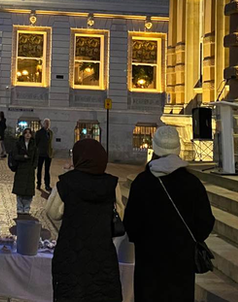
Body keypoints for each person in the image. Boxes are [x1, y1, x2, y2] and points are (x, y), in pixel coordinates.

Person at [125, 125, 215, 301]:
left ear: (155, 148)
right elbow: (205, 223)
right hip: (181, 263)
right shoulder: (192, 183)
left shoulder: (142, 182)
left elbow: (131, 224)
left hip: (149, 263)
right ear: (177, 149)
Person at [47, 139, 124, 302]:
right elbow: (120, 214)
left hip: (71, 253)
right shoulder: (112, 183)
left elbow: (52, 212)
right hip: (102, 254)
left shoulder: (67, 182)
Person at [12, 127, 38, 215]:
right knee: (19, 190)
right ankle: (19, 207)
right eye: (26, 133)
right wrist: (23, 157)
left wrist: (34, 166)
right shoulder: (19, 144)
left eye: (29, 133)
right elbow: (15, 155)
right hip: (21, 169)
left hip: (29, 170)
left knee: (28, 190)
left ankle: (26, 207)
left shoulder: (34, 145)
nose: (27, 135)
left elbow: (36, 157)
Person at [35, 118, 54, 191]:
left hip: (48, 154)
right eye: (46, 123)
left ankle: (47, 185)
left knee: (47, 170)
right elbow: (36, 143)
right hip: (40, 153)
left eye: (48, 123)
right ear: (43, 124)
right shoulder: (39, 132)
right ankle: (39, 183)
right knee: (39, 169)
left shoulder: (50, 132)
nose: (47, 125)